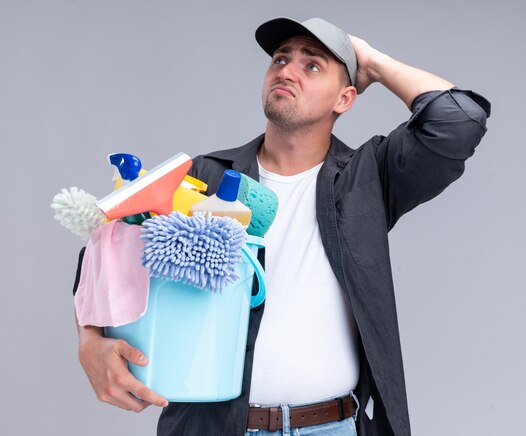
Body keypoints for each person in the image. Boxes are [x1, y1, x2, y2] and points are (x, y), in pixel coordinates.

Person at [74, 16, 490, 436]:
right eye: (279, 59)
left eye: (312, 65)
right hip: (209, 428)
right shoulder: (203, 176)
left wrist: (373, 62)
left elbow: (457, 123)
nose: (287, 70)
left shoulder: (369, 178)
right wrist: (90, 340)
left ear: (345, 98)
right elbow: (105, 258)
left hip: (331, 428)